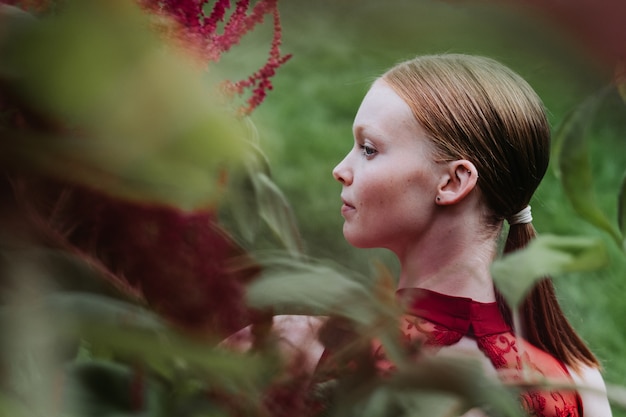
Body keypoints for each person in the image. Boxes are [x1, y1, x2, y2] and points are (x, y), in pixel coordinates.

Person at [330, 53, 612, 417]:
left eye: (369, 149)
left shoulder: (313, 347)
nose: (340, 169)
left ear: (452, 182)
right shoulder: (576, 378)